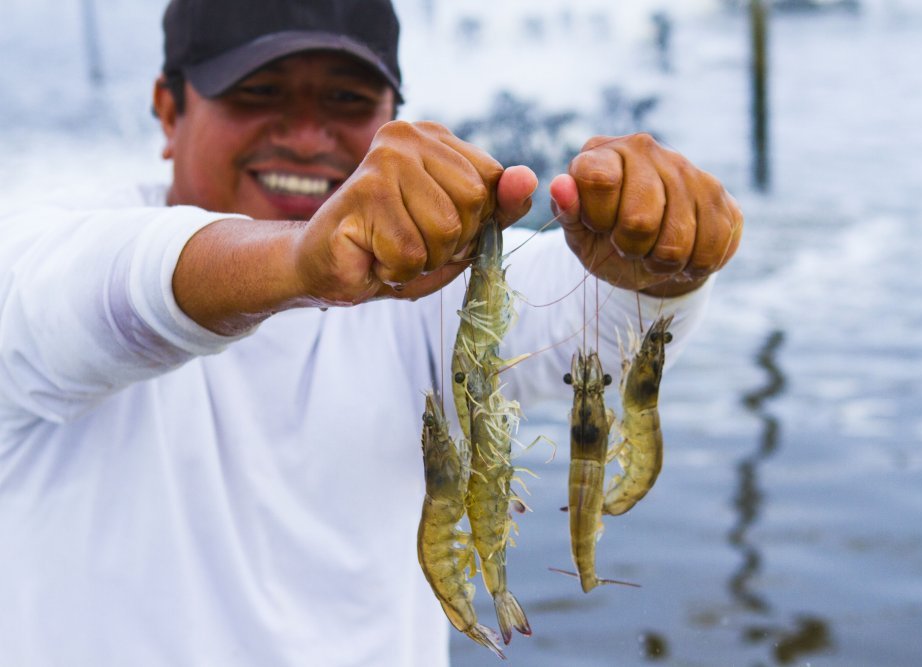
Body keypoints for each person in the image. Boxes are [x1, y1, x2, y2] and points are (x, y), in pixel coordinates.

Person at [0, 0, 742, 665]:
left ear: (394, 110)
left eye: (347, 99)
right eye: (258, 92)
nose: (305, 133)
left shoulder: (425, 287)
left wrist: (662, 263)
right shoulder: (43, 254)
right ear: (168, 108)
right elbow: (101, 295)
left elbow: (600, 322)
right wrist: (299, 258)